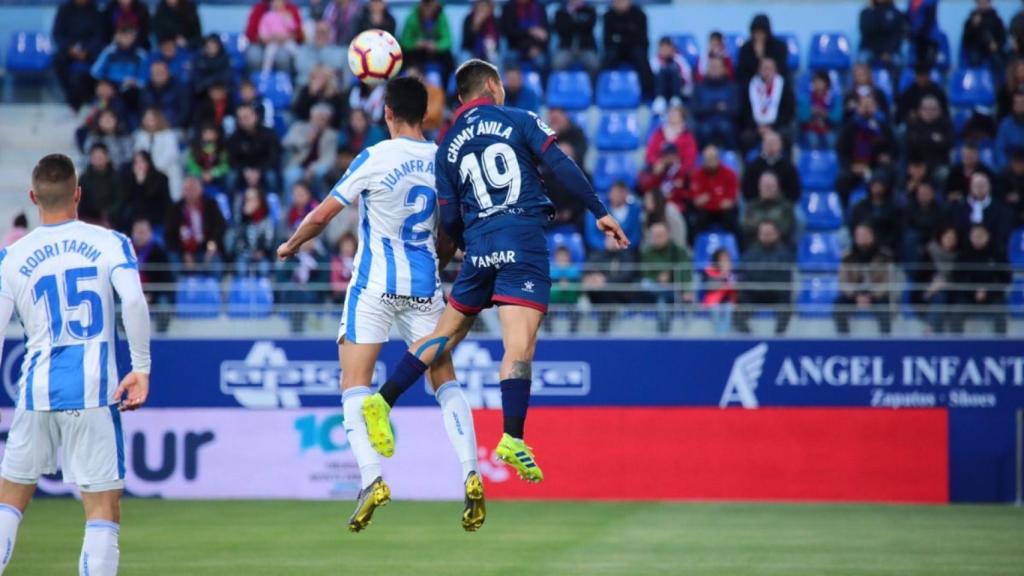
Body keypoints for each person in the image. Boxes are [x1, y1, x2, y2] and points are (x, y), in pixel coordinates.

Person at [354, 60, 627, 485]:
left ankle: (382, 400)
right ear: (494, 86)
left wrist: (472, 246)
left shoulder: (446, 147)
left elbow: (450, 218)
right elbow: (562, 165)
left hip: (479, 246)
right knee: (519, 345)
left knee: (446, 334)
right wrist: (600, 212)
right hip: (522, 242)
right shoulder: (518, 119)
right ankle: (512, 437)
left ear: (462, 99)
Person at [276, 76, 489, 532]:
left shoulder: (374, 157)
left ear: (387, 113)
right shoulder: (441, 160)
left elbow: (324, 213)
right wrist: (439, 261)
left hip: (374, 285)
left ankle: (372, 479)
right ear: (426, 115)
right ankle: (471, 469)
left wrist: (292, 244)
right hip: (424, 287)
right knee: (443, 377)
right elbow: (451, 232)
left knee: (354, 381)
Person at [0, 153, 151, 576]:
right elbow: (135, 303)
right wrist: (141, 367)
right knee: (102, 508)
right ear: (78, 194)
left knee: (9, 501)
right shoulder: (110, 242)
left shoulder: (12, 257)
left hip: (35, 393)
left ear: (33, 197)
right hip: (94, 392)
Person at [950, 224, 1011, 334]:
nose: (977, 239)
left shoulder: (998, 254)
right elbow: (957, 278)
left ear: (987, 236)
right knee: (957, 312)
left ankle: (1001, 347)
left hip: (993, 295)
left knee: (1000, 311)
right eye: (975, 236)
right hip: (967, 295)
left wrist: (987, 291)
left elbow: (1005, 279)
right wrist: (974, 291)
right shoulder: (963, 255)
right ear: (970, 237)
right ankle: (956, 346)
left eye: (981, 236)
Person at [735, 219, 793, 334]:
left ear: (777, 234)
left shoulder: (785, 254)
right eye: (763, 233)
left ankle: (778, 338)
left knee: (786, 303)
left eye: (769, 233)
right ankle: (747, 339)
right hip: (754, 294)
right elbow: (745, 274)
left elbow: (785, 278)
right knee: (739, 307)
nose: (766, 236)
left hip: (777, 294)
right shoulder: (750, 253)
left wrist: (763, 279)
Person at [834, 223, 893, 335]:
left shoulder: (885, 256)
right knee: (839, 305)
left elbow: (888, 281)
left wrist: (872, 295)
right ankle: (843, 340)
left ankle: (886, 341)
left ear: (872, 236)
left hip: (877, 294)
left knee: (885, 308)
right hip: (854, 294)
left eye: (864, 234)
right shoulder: (848, 256)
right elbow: (842, 281)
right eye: (858, 235)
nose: (861, 238)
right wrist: (856, 295)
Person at [836, 93, 894, 204]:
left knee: (887, 178)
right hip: (854, 167)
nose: (867, 108)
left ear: (876, 107)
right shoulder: (849, 127)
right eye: (863, 105)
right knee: (842, 180)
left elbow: (893, 149)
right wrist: (851, 166)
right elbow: (841, 151)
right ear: (858, 108)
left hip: (877, 168)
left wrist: (887, 158)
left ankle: (882, 213)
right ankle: (846, 214)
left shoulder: (884, 127)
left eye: (870, 105)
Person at [164, 176, 226, 276]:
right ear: (183, 191)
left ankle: (215, 290)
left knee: (215, 263)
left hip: (206, 248)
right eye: (187, 189)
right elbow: (169, 236)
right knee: (173, 261)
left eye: (193, 189)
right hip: (182, 250)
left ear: (201, 190)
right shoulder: (174, 209)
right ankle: (176, 290)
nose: (190, 192)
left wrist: (211, 247)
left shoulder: (211, 205)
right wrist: (184, 253)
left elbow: (220, 227)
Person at [52, 0, 107, 111]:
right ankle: (71, 98)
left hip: (90, 50)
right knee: (58, 59)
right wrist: (69, 48)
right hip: (69, 49)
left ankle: (94, 97)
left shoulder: (95, 11)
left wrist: (87, 50)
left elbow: (99, 35)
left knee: (101, 60)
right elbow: (57, 34)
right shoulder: (64, 10)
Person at [640, 221, 692, 333]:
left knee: (662, 303)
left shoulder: (678, 250)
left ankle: (663, 334)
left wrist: (686, 289)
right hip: (654, 288)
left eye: (660, 235)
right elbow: (644, 273)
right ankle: (663, 334)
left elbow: (686, 270)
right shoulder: (647, 251)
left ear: (668, 234)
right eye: (654, 236)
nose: (657, 238)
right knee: (645, 284)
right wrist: (658, 278)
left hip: (674, 287)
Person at [282, 103, 339, 196]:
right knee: (292, 175)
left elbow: (329, 159)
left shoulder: (331, 135)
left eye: (323, 119)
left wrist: (312, 168)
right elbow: (286, 142)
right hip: (299, 165)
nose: (319, 122)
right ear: (311, 117)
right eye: (317, 118)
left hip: (317, 167)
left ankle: (321, 200)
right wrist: (306, 141)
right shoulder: (299, 127)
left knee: (320, 172)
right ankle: (290, 207)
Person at [741, 58, 795, 153]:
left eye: (770, 68)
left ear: (775, 70)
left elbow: (789, 110)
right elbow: (745, 110)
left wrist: (772, 127)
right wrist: (757, 127)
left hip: (777, 125)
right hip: (756, 126)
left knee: (786, 135)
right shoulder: (750, 85)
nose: (767, 71)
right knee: (745, 137)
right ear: (759, 70)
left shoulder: (784, 85)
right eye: (764, 68)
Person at [601, 0, 653, 97]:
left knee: (641, 58)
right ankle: (605, 92)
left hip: (634, 48)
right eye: (617, 1)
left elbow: (643, 40)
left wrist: (620, 39)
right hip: (616, 49)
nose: (620, 4)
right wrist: (624, 38)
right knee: (608, 58)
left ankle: (647, 93)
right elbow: (607, 40)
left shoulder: (640, 15)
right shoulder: (608, 16)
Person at [912, 225, 958, 333]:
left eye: (953, 238)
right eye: (947, 237)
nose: (950, 240)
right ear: (940, 237)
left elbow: (960, 279)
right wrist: (931, 288)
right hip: (925, 295)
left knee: (941, 294)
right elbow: (919, 277)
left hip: (950, 296)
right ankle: (934, 332)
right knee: (939, 295)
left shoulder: (959, 257)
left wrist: (944, 284)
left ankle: (931, 329)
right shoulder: (928, 253)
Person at [227, 105, 282, 192]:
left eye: (246, 117)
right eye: (240, 118)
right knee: (231, 176)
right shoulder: (234, 137)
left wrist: (259, 170)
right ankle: (228, 204)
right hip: (244, 170)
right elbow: (232, 160)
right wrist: (245, 171)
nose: (243, 121)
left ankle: (274, 202)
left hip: (264, 168)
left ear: (255, 116)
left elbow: (274, 157)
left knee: (271, 176)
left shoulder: (269, 133)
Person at [689, 145, 740, 236]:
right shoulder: (696, 175)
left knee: (734, 222)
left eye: (713, 158)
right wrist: (717, 199)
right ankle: (694, 248)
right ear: (703, 160)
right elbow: (697, 201)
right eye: (708, 159)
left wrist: (709, 199)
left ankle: (739, 248)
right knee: (695, 223)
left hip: (723, 211)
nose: (711, 161)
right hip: (705, 211)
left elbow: (729, 201)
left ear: (718, 158)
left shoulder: (730, 174)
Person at [399, 0, 455, 83]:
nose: (428, 9)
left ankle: (444, 91)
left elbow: (448, 41)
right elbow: (404, 41)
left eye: (430, 5)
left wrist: (436, 46)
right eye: (426, 5)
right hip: (415, 55)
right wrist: (416, 44)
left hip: (434, 56)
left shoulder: (441, 16)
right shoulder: (412, 16)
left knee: (448, 58)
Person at [134, 108, 183, 199]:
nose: (149, 122)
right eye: (146, 119)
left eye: (151, 119)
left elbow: (171, 155)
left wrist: (155, 169)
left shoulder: (169, 135)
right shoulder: (140, 136)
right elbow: (139, 154)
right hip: (147, 173)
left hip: (167, 172)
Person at [244, 0, 305, 73]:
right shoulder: (259, 9)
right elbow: (250, 33)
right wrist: (267, 38)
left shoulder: (291, 9)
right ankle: (259, 80)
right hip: (263, 44)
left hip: (285, 43)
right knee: (253, 56)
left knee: (283, 57)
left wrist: (286, 37)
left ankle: (286, 81)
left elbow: (298, 33)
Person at [692, 56, 738, 149]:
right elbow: (695, 110)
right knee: (704, 130)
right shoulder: (699, 87)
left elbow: (736, 110)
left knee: (726, 128)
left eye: (717, 67)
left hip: (727, 123)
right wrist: (716, 107)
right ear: (707, 69)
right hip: (704, 123)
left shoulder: (733, 87)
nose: (714, 69)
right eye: (712, 67)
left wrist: (708, 109)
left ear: (724, 69)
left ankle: (732, 155)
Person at [741, 130, 800, 202]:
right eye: (768, 143)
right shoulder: (753, 166)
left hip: (783, 207)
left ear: (780, 145)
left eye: (774, 143)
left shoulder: (788, 167)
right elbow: (747, 190)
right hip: (757, 207)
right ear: (763, 144)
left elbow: (795, 192)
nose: (771, 145)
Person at [121, 151, 172, 233]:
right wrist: (139, 185)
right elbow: (130, 204)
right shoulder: (128, 180)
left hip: (156, 221)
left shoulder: (161, 179)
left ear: (148, 163)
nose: (139, 165)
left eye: (142, 161)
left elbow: (165, 205)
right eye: (136, 163)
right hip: (134, 222)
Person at [850, 172, 902, 254]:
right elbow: (854, 226)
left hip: (886, 244)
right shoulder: (860, 206)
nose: (877, 188)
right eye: (875, 185)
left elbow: (895, 230)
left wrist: (881, 243)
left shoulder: (893, 208)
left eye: (880, 185)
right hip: (862, 242)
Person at [90, 24, 147, 96]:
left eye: (131, 35)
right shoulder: (109, 51)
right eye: (124, 35)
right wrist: (106, 83)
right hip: (111, 87)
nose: (128, 38)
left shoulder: (140, 54)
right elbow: (95, 72)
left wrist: (135, 82)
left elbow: (144, 78)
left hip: (131, 90)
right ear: (117, 36)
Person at [741, 171, 795, 247]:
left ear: (777, 187)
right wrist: (762, 231)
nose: (768, 189)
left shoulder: (786, 206)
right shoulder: (751, 206)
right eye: (765, 186)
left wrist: (770, 231)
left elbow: (786, 227)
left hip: (780, 246)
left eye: (771, 186)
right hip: (755, 246)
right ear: (759, 187)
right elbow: (746, 227)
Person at [585, 181, 642, 252]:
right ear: (609, 193)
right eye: (615, 192)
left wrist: (621, 243)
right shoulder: (598, 209)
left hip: (626, 251)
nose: (617, 195)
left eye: (621, 192)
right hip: (601, 251)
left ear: (627, 193)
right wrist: (604, 244)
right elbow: (591, 235)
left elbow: (636, 236)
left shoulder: (634, 210)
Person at [736, 13, 790, 87]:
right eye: (756, 32)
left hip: (775, 85)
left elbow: (780, 69)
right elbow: (742, 72)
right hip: (752, 86)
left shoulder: (779, 47)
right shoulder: (746, 48)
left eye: (761, 32)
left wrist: (761, 56)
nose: (758, 35)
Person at [79, 143, 124, 228]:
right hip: (89, 218)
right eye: (95, 157)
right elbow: (80, 202)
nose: (98, 160)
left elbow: (119, 200)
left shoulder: (116, 177)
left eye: (101, 157)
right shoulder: (84, 179)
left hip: (111, 219)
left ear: (107, 158)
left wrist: (107, 214)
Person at [905, 95, 953, 173]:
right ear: (919, 110)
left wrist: (924, 139)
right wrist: (934, 138)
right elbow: (912, 145)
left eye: (933, 109)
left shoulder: (945, 124)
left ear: (939, 110)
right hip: (917, 164)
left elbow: (949, 144)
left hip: (939, 164)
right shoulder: (914, 124)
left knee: (944, 173)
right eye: (925, 109)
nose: (929, 112)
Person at [552, 0, 599, 76]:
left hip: (586, 48)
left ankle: (591, 87)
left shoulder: (590, 10)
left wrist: (571, 19)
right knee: (557, 64)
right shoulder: (560, 12)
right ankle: (562, 86)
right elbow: (562, 30)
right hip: (566, 48)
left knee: (594, 64)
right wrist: (577, 20)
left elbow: (588, 28)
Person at [500, 0, 550, 71]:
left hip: (536, 47)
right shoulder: (509, 8)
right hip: (516, 47)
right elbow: (510, 32)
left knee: (541, 61)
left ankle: (543, 82)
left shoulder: (539, 8)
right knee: (510, 58)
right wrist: (530, 31)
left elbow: (545, 34)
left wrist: (538, 48)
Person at [295, 21, 347, 87]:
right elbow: (300, 66)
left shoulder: (339, 51)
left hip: (330, 90)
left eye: (323, 32)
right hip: (306, 87)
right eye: (317, 32)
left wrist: (321, 74)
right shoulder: (303, 49)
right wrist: (322, 72)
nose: (320, 35)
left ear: (329, 34)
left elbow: (338, 68)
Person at [645, 104, 697, 170]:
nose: (672, 116)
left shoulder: (687, 137)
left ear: (682, 117)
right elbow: (650, 154)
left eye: (675, 114)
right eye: (670, 113)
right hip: (659, 171)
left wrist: (678, 168)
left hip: (680, 173)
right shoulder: (659, 133)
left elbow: (689, 160)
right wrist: (657, 163)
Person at [799, 70, 842, 149]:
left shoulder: (833, 99)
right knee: (812, 139)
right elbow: (802, 117)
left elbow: (837, 118)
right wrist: (811, 112)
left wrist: (824, 113)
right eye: (815, 82)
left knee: (832, 139)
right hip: (810, 129)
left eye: (820, 82)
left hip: (828, 129)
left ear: (826, 84)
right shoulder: (806, 98)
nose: (817, 84)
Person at [650, 37, 694, 113]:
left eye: (667, 47)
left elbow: (687, 76)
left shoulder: (679, 59)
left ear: (672, 49)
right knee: (663, 70)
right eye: (662, 48)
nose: (665, 50)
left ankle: (676, 99)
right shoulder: (653, 61)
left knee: (673, 69)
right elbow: (652, 78)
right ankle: (660, 99)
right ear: (659, 49)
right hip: (659, 90)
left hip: (678, 89)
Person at [185, 124, 230, 195]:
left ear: (216, 135)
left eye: (211, 133)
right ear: (202, 135)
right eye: (206, 133)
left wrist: (213, 173)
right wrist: (201, 173)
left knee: (229, 176)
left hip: (216, 177)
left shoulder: (222, 148)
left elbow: (225, 165)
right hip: (200, 176)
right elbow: (191, 164)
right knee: (189, 175)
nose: (209, 136)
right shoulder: (195, 147)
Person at [961, 0, 1007, 69]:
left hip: (992, 48)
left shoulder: (997, 20)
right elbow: (965, 39)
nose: (982, 5)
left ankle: (998, 80)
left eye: (984, 2)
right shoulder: (970, 20)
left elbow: (1003, 37)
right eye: (980, 3)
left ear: (989, 3)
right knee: (974, 59)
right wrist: (973, 26)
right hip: (976, 49)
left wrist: (997, 44)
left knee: (998, 61)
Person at [859, 0, 905, 67]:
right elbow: (866, 31)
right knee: (862, 60)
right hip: (870, 49)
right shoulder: (866, 12)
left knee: (898, 61)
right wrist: (872, 11)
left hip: (890, 51)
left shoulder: (896, 13)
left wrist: (888, 51)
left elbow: (897, 36)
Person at [702, 248, 736, 334]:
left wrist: (728, 274)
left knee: (729, 308)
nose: (725, 260)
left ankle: (724, 335)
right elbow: (709, 287)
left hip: (727, 300)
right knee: (716, 309)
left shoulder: (732, 272)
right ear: (717, 259)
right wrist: (722, 275)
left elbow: (734, 287)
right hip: (713, 300)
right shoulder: (708, 270)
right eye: (722, 258)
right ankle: (719, 336)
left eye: (727, 258)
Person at [996, 91, 1024, 169]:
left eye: (1022, 103)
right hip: (1010, 169)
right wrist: (1008, 167)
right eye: (1016, 103)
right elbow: (1000, 149)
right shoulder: (1005, 125)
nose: (1019, 106)